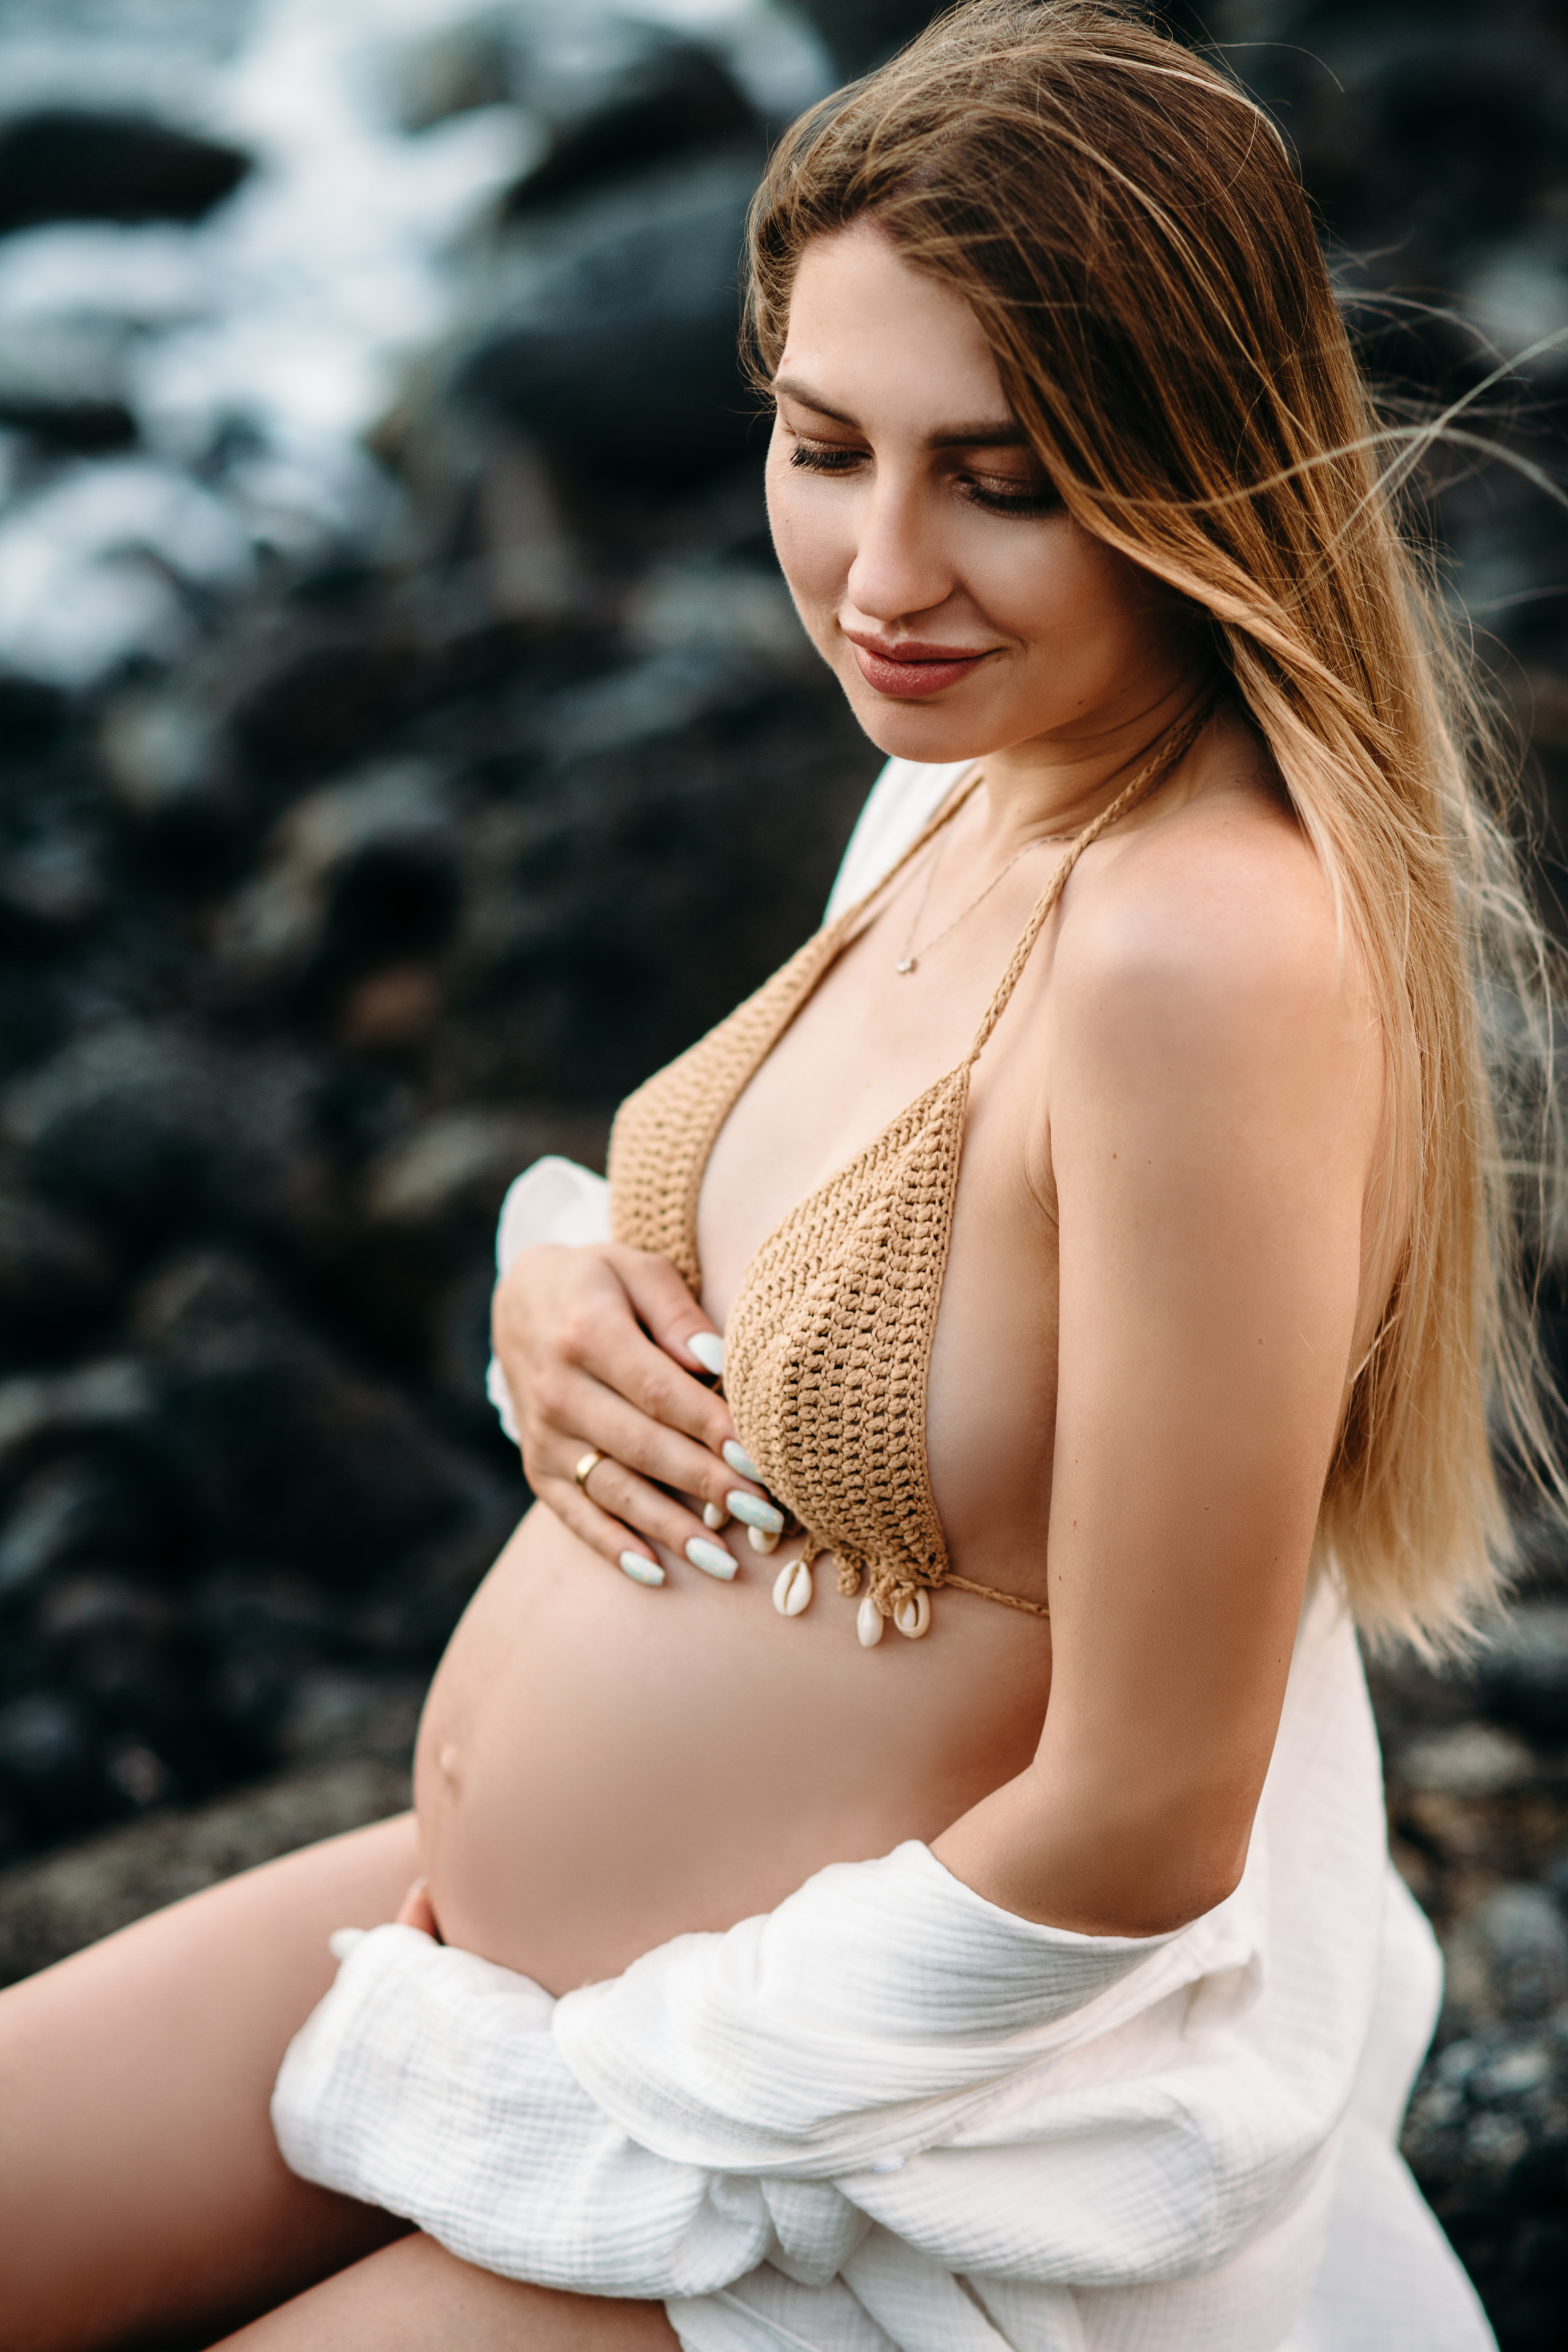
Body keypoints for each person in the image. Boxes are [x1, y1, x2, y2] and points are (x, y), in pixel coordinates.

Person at [0, 4, 1552, 2346]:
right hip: (502, 1936)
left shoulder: (1202, 952)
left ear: (1192, 473)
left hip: (841, 2143)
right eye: (826, 447)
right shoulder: (964, 775)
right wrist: (554, 1276)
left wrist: (618, 2108)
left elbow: (1144, 1814)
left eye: (1002, 479)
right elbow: (866, 1250)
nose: (882, 569)